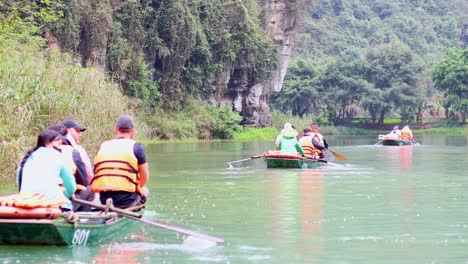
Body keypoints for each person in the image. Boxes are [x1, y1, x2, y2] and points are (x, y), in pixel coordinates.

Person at [91, 115, 149, 209]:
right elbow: (144, 178)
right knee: (145, 191)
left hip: (104, 198)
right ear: (133, 132)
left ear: (116, 130)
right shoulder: (136, 146)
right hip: (125, 200)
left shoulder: (103, 146)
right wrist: (137, 187)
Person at [16, 129, 76, 211]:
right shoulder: (58, 156)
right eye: (59, 143)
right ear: (47, 143)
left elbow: (18, 181)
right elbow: (71, 187)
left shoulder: (26, 157)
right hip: (51, 204)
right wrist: (65, 195)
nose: (60, 147)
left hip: (26, 203)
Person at [48, 123, 94, 211]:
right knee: (87, 189)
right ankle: (83, 220)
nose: (79, 134)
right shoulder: (72, 152)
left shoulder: (35, 153)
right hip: (59, 201)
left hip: (37, 199)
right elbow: (84, 181)